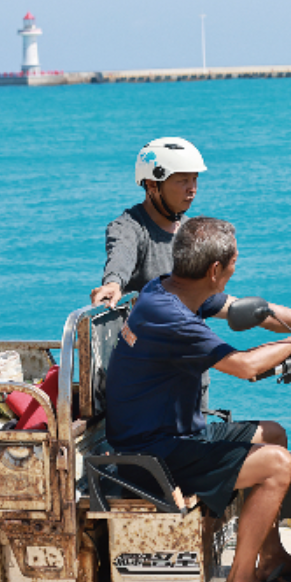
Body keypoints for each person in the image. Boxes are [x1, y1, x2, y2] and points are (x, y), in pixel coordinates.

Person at [105, 216, 291, 582]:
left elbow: (256, 314)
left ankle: (273, 555)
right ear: (215, 270)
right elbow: (246, 367)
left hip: (171, 432)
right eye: (233, 263)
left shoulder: (170, 288)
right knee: (277, 465)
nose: (235, 269)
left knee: (274, 434)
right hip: (152, 454)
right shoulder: (173, 318)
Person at [90, 137, 213, 410]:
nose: (192, 189)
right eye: (182, 180)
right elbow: (120, 254)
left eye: (194, 180)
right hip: (150, 380)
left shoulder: (193, 231)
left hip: (191, 372)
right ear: (152, 185)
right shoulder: (130, 227)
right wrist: (113, 282)